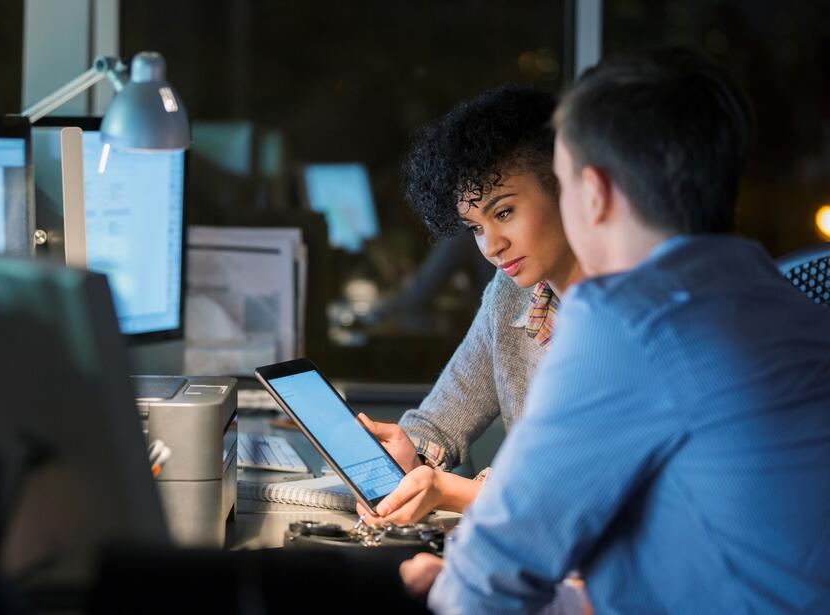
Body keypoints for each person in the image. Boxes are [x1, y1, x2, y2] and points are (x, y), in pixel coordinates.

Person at [406, 48, 830, 614]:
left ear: (593, 191)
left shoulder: (630, 321)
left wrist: (446, 588)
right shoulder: (784, 302)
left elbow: (493, 574)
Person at [355, 84, 583, 525]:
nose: (493, 247)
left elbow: (579, 492)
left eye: (503, 213)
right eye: (475, 228)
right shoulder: (511, 294)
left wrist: (451, 491)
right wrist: (412, 457)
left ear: (565, 187)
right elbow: (440, 421)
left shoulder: (629, 318)